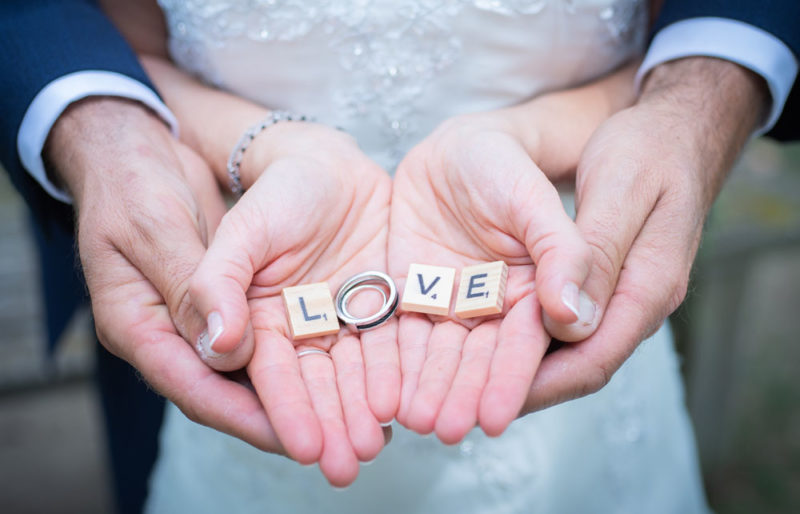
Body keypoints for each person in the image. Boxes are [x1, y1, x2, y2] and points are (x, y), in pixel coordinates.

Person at [0, 0, 795, 512]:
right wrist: (144, 136)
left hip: (551, 275)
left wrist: (680, 112)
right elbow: (128, 42)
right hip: (256, 286)